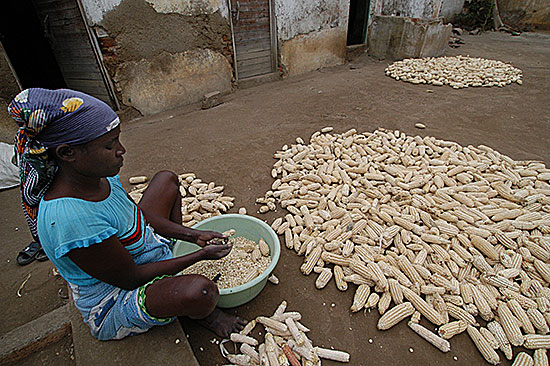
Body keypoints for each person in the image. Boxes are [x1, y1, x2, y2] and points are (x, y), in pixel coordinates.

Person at [8, 88, 246, 340]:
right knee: (202, 292)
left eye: (118, 140)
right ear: (68, 153)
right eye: (110, 145)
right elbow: (130, 278)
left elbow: (138, 219)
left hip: (139, 249)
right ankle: (205, 315)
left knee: (167, 180)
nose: (121, 150)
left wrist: (192, 235)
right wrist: (199, 257)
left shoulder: (99, 177)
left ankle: (170, 260)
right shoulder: (72, 219)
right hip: (115, 296)